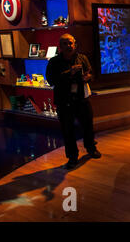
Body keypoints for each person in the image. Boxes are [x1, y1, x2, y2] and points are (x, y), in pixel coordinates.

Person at [46, 34, 101, 170]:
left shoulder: (82, 58)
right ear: (60, 46)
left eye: (70, 43)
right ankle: (72, 157)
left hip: (82, 98)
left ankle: (91, 148)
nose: (68, 46)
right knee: (68, 130)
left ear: (75, 44)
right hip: (64, 101)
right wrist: (69, 73)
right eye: (65, 43)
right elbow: (51, 80)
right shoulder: (54, 62)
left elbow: (91, 74)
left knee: (88, 125)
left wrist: (88, 77)